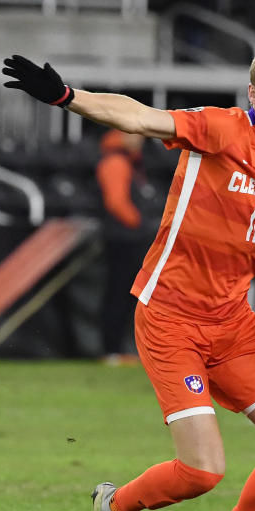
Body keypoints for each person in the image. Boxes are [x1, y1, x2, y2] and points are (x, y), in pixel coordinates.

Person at [3, 41, 255, 511]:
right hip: (170, 317)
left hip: (233, 324)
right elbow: (139, 117)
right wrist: (66, 97)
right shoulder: (222, 129)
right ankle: (115, 507)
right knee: (202, 471)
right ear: (254, 94)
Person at [95, 129, 152, 363]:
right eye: (133, 134)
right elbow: (116, 203)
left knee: (127, 296)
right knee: (119, 293)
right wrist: (141, 226)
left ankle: (117, 349)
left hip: (129, 238)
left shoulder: (128, 162)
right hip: (124, 239)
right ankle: (111, 350)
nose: (139, 139)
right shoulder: (116, 162)